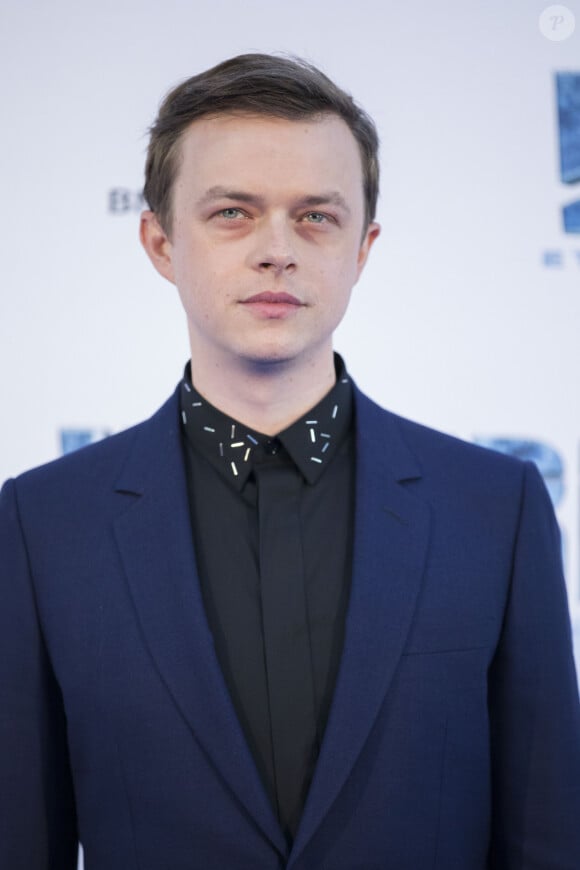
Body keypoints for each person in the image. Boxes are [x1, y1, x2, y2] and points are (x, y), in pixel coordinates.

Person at [1, 53, 579, 870]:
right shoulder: (43, 524)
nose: (278, 250)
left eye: (315, 216)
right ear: (160, 242)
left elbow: (547, 837)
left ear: (363, 247)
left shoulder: (497, 508)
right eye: (233, 212)